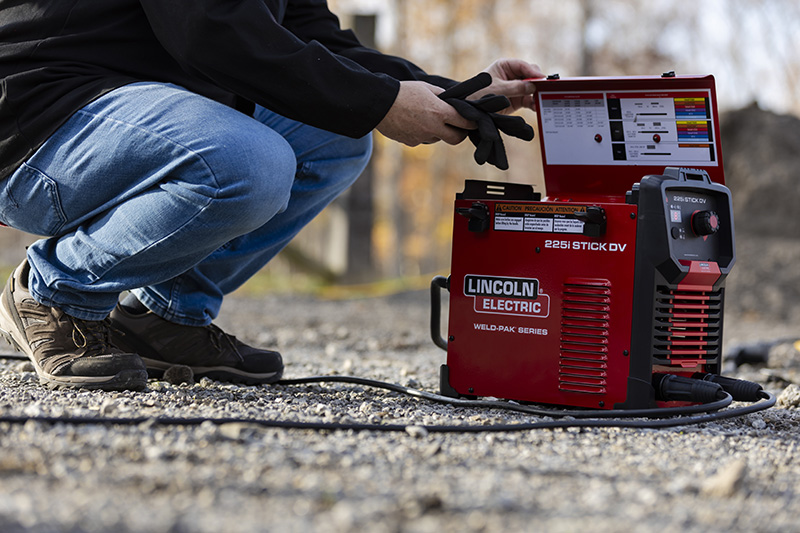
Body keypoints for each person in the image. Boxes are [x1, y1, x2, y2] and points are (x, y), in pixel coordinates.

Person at [0, 0, 544, 391]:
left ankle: (163, 316)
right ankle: (56, 292)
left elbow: (316, 40)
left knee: (335, 135)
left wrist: (455, 94)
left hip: (135, 109)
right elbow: (209, 28)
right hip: (39, 114)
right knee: (247, 163)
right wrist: (381, 102)